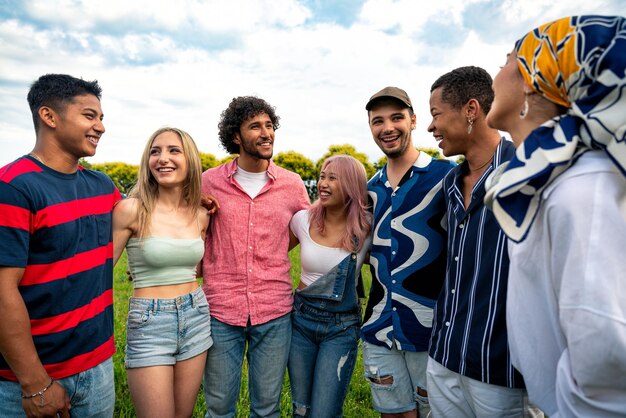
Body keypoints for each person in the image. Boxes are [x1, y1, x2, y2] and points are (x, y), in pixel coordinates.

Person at [485, 15, 626, 417]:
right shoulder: (555, 183)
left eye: (506, 61)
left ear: (530, 79)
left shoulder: (585, 189)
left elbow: (605, 359)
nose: (495, 75)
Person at [0, 74, 120, 417]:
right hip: (30, 379)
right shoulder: (13, 187)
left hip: (98, 367)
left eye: (101, 117)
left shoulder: (102, 186)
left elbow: (145, 214)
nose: (100, 126)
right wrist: (35, 383)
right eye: (89, 115)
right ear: (49, 116)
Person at [425, 66, 542, 417]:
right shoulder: (449, 182)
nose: (431, 126)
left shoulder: (528, 171)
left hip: (501, 370)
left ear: (471, 110)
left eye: (435, 114)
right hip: (444, 357)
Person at [201, 96, 310, 418]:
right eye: (255, 127)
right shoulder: (208, 181)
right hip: (220, 310)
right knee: (219, 407)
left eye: (269, 126)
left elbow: (305, 230)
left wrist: (272, 248)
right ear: (236, 136)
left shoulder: (292, 185)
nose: (266, 133)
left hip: (274, 310)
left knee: (267, 408)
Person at [361, 86, 455, 418]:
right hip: (378, 328)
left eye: (397, 117)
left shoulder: (446, 176)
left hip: (432, 331)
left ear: (413, 120)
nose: (387, 128)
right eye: (378, 121)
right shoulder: (370, 190)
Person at [112, 127, 212, 418]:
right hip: (150, 321)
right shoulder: (131, 210)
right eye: (155, 151)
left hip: (196, 314)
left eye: (173, 150)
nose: (162, 158)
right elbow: (98, 271)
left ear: (190, 160)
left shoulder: (201, 213)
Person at [288, 155, 372, 418]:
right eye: (322, 176)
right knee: (301, 409)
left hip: (341, 328)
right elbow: (271, 255)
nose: (323, 183)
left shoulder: (368, 227)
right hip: (301, 322)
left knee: (324, 412)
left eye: (332, 178)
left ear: (351, 184)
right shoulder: (303, 220)